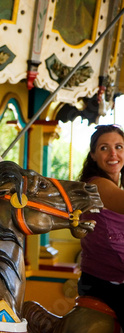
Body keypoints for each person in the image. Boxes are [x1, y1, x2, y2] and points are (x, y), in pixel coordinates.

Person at [78, 124, 124, 329]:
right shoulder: (98, 185)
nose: (113, 153)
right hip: (106, 283)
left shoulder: (116, 185)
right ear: (93, 155)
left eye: (119, 147)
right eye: (104, 148)